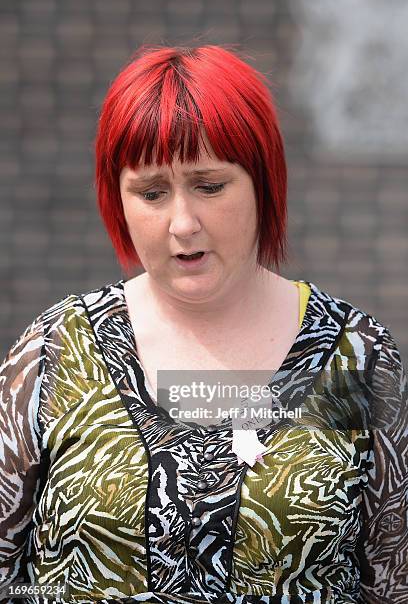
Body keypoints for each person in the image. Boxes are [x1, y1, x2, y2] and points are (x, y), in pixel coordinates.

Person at [0, 44, 407, 604]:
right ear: (117, 199)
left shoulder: (353, 358)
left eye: (210, 186)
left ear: (262, 183)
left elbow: (392, 579)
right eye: (151, 193)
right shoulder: (57, 352)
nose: (183, 223)